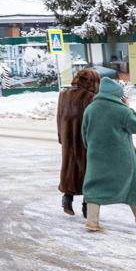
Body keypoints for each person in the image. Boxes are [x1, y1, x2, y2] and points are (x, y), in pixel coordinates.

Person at [81, 76, 136, 232]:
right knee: (134, 185)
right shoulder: (122, 110)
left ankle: (92, 221)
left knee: (95, 186)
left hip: (96, 157)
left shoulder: (90, 109)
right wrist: (129, 108)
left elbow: (84, 134)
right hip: (122, 158)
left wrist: (93, 150)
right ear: (117, 95)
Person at [56, 67, 101, 217]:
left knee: (70, 168)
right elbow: (94, 120)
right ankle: (86, 206)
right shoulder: (91, 97)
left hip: (68, 138)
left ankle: (67, 198)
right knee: (88, 172)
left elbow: (59, 117)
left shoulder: (63, 94)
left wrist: (61, 136)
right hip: (85, 140)